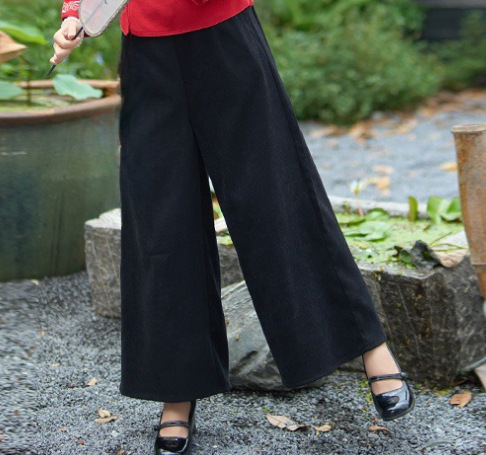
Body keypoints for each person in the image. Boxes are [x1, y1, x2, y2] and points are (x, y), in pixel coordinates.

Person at [51, 1, 415, 453]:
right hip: (147, 55)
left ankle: (370, 347)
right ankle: (176, 390)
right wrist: (75, 14)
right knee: (160, 223)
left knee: (276, 198)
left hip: (223, 36)